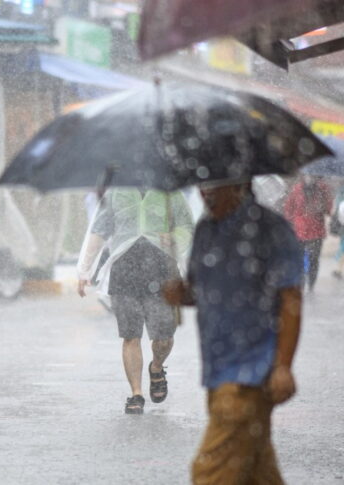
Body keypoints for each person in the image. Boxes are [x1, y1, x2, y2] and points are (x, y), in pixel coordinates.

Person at [163, 179, 303, 484]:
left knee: (209, 474)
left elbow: (290, 298)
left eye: (215, 183)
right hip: (217, 372)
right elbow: (201, 292)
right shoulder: (205, 231)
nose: (205, 192)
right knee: (258, 473)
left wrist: (283, 366)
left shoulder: (270, 229)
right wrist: (181, 293)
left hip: (249, 375)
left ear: (240, 182)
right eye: (202, 183)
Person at [77, 187, 193, 414]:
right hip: (125, 268)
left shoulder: (170, 192)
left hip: (163, 269)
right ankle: (136, 393)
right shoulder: (116, 194)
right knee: (131, 334)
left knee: (164, 337)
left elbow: (187, 226)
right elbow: (99, 231)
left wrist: (175, 239)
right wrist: (84, 270)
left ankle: (157, 367)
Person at [283, 175, 332, 291]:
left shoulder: (322, 190)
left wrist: (322, 206)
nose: (310, 178)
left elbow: (329, 210)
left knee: (313, 259)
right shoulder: (297, 189)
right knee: (299, 259)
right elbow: (288, 209)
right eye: (308, 175)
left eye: (312, 176)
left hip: (316, 232)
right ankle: (300, 282)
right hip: (300, 232)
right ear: (303, 176)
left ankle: (311, 284)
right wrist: (291, 223)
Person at [332, 185, 344, 279]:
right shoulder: (340, 193)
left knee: (342, 248)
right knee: (342, 248)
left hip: (342, 226)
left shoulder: (340, 193)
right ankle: (339, 269)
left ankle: (339, 269)